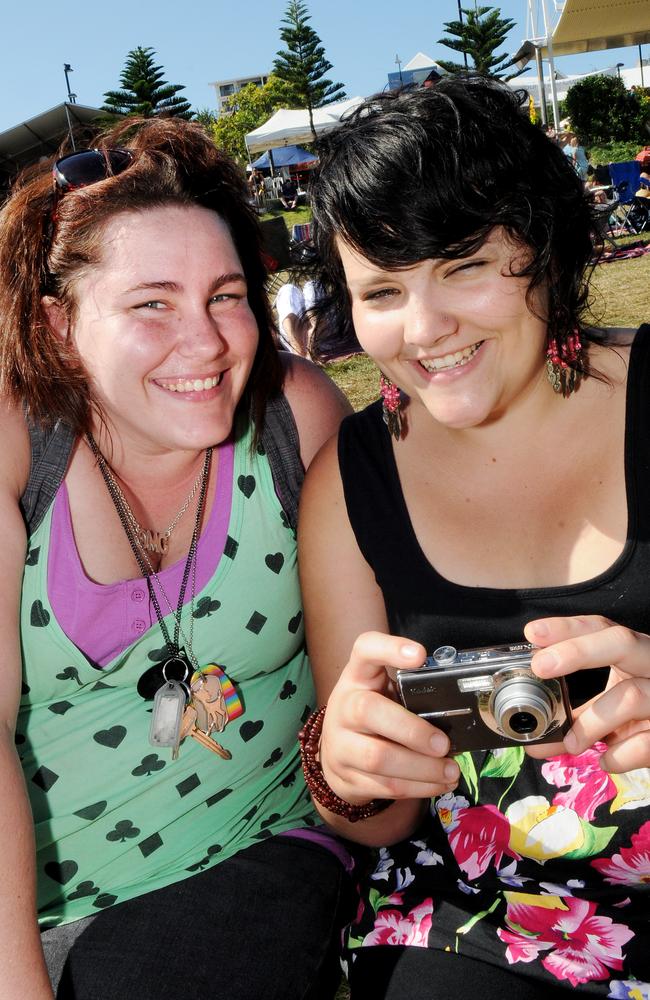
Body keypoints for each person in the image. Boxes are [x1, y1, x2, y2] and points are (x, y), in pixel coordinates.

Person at [298, 77, 650, 999]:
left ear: (547, 244)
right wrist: (348, 769)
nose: (424, 330)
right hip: (476, 914)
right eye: (381, 289)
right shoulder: (351, 481)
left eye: (463, 266)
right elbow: (380, 819)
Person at [0, 116, 352, 999]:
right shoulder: (17, 447)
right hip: (26, 909)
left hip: (253, 844)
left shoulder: (292, 414)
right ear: (57, 323)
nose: (206, 342)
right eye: (151, 302)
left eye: (226, 296)